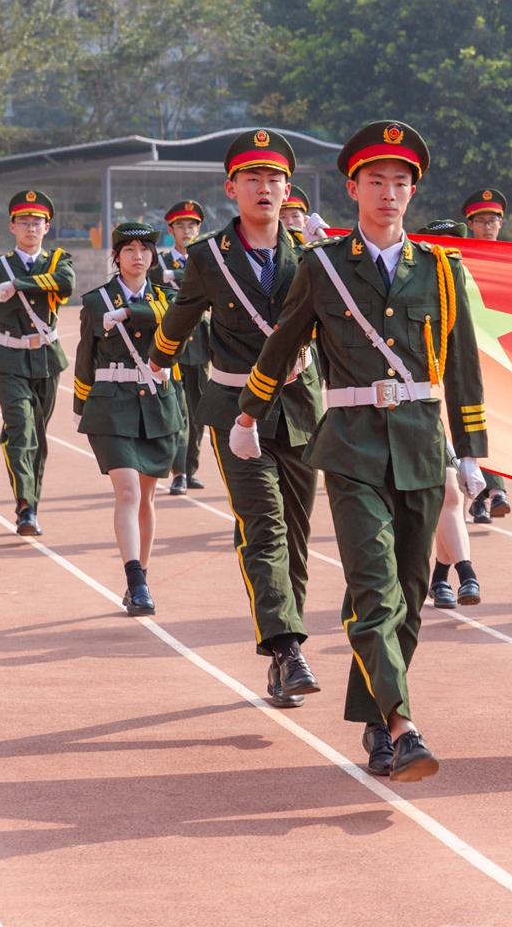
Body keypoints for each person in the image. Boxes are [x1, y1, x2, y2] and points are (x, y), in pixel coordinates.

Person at [235, 120, 488, 783]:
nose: (389, 193)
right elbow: (282, 346)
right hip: (351, 448)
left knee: (409, 596)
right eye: (376, 181)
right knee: (374, 592)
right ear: (353, 189)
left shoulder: (441, 270)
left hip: (421, 447)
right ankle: (403, 727)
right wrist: (249, 414)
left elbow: (463, 365)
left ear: (412, 192)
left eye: (400, 182)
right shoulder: (323, 268)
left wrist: (471, 451)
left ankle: (376, 723)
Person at [150, 132, 326, 710]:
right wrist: (158, 358)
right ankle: (287, 649)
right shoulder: (209, 257)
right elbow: (182, 316)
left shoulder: (312, 254)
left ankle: (282, 649)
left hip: (299, 408)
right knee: (264, 525)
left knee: (295, 535)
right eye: (253, 179)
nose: (265, 189)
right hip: (234, 411)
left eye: (275, 180)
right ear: (232, 189)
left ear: (288, 189)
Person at [74, 223, 187, 616]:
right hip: (111, 407)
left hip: (157, 405)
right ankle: (136, 582)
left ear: (154, 257)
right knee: (128, 492)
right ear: (116, 256)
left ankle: (141, 577)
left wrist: (127, 312)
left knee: (147, 499)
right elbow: (85, 357)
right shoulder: (95, 302)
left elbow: (176, 318)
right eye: (129, 249)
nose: (137, 255)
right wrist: (81, 406)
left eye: (145, 249)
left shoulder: (169, 297)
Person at [0, 190, 74, 536]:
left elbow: (66, 283)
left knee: (37, 436)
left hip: (47, 359)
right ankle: (25, 506)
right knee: (21, 431)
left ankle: (32, 505)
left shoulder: (57, 262)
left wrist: (19, 285)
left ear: (47, 228)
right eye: (23, 222)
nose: (30, 228)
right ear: (12, 227)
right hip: (9, 359)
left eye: (37, 223)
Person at [411, 221, 484, 610]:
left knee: (451, 496)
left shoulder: (474, 287)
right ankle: (464, 572)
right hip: (419, 406)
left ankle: (441, 576)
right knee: (448, 494)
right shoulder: (417, 290)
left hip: (462, 403)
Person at [460, 188, 512, 521]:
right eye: (481, 221)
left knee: (492, 423)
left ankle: (485, 496)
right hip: (469, 348)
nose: (487, 226)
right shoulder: (460, 257)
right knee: (473, 418)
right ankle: (491, 493)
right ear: (471, 225)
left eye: (492, 221)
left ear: (501, 223)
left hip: (502, 352)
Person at [159, 200, 212, 496]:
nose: (186, 231)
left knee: (197, 410)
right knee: (176, 410)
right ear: (171, 230)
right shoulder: (159, 264)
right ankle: (178, 472)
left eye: (192, 226)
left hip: (201, 344)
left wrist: (177, 277)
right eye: (180, 226)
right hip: (172, 345)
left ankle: (190, 469)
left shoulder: (206, 260)